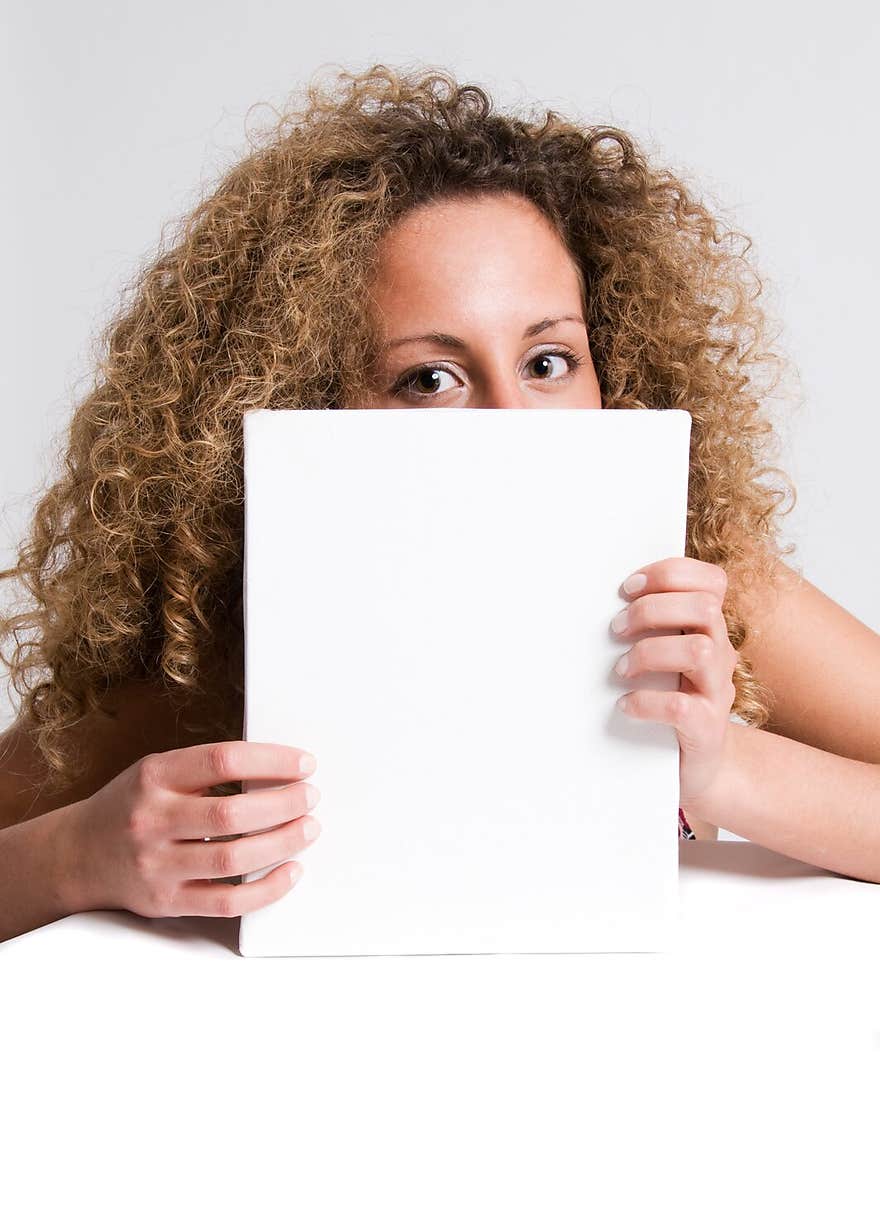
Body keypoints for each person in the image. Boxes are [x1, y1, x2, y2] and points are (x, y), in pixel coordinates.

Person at [2, 64, 879, 941]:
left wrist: (723, 771)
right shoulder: (230, 657)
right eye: (431, 377)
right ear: (309, 401)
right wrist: (79, 853)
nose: (509, 420)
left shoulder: (691, 600)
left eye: (547, 362)